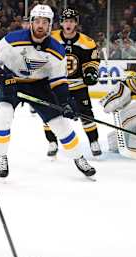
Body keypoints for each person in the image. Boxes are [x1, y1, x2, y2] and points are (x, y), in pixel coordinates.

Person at [0, 4, 96, 178]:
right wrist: (3, 78)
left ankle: (78, 157)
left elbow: (58, 80)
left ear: (50, 25)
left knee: (60, 124)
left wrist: (65, 101)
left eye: (45, 21)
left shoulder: (57, 49)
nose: (40, 25)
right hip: (12, 81)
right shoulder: (11, 39)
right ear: (31, 22)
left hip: (39, 86)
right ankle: (1, 156)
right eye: (37, 21)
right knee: (2, 115)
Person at [43, 8, 102, 158]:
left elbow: (92, 61)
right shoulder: (50, 38)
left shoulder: (87, 42)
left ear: (76, 23)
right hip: (56, 84)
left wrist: (90, 72)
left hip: (78, 85)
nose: (68, 24)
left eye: (71, 21)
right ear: (61, 23)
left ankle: (94, 141)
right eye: (66, 21)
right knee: (50, 113)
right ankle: (52, 142)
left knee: (86, 113)